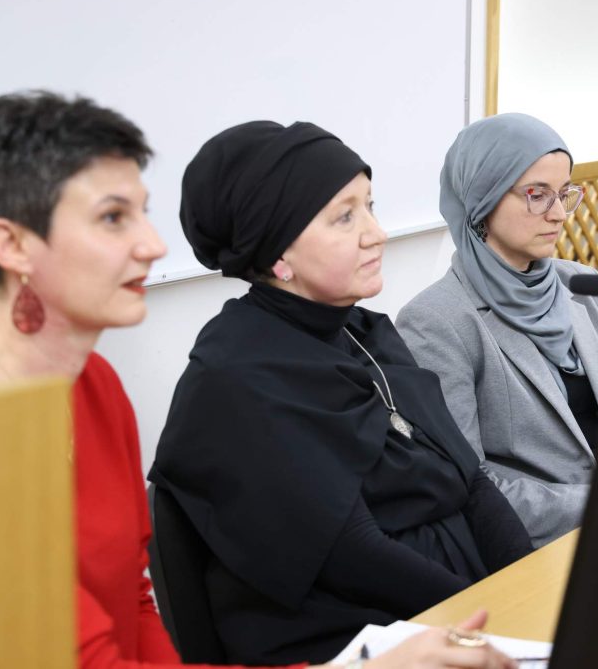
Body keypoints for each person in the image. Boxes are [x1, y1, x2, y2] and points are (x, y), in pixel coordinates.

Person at [0, 92, 518, 669]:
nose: (153, 246)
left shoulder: (94, 385)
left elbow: (134, 606)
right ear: (11, 245)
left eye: (142, 214)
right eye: (112, 218)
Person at [149, 120, 533, 666]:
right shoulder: (234, 377)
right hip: (354, 631)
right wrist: (486, 621)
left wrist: (527, 590)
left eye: (370, 206)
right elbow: (353, 553)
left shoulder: (364, 332)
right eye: (344, 217)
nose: (377, 233)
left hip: (457, 605)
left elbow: (470, 480)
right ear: (278, 254)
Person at [396, 113, 598, 548]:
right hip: (539, 547)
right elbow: (469, 483)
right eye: (537, 195)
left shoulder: (582, 284)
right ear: (483, 198)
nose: (559, 214)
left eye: (565, 194)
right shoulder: (436, 321)